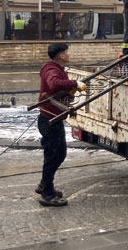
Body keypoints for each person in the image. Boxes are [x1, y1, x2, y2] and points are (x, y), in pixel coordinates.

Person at [37, 43, 85, 207]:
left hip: (52, 118)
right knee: (54, 156)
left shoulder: (54, 68)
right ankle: (47, 194)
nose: (69, 54)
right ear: (61, 55)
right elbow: (54, 84)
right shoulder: (52, 70)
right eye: (67, 52)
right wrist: (74, 83)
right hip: (49, 120)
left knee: (56, 155)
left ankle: (45, 185)